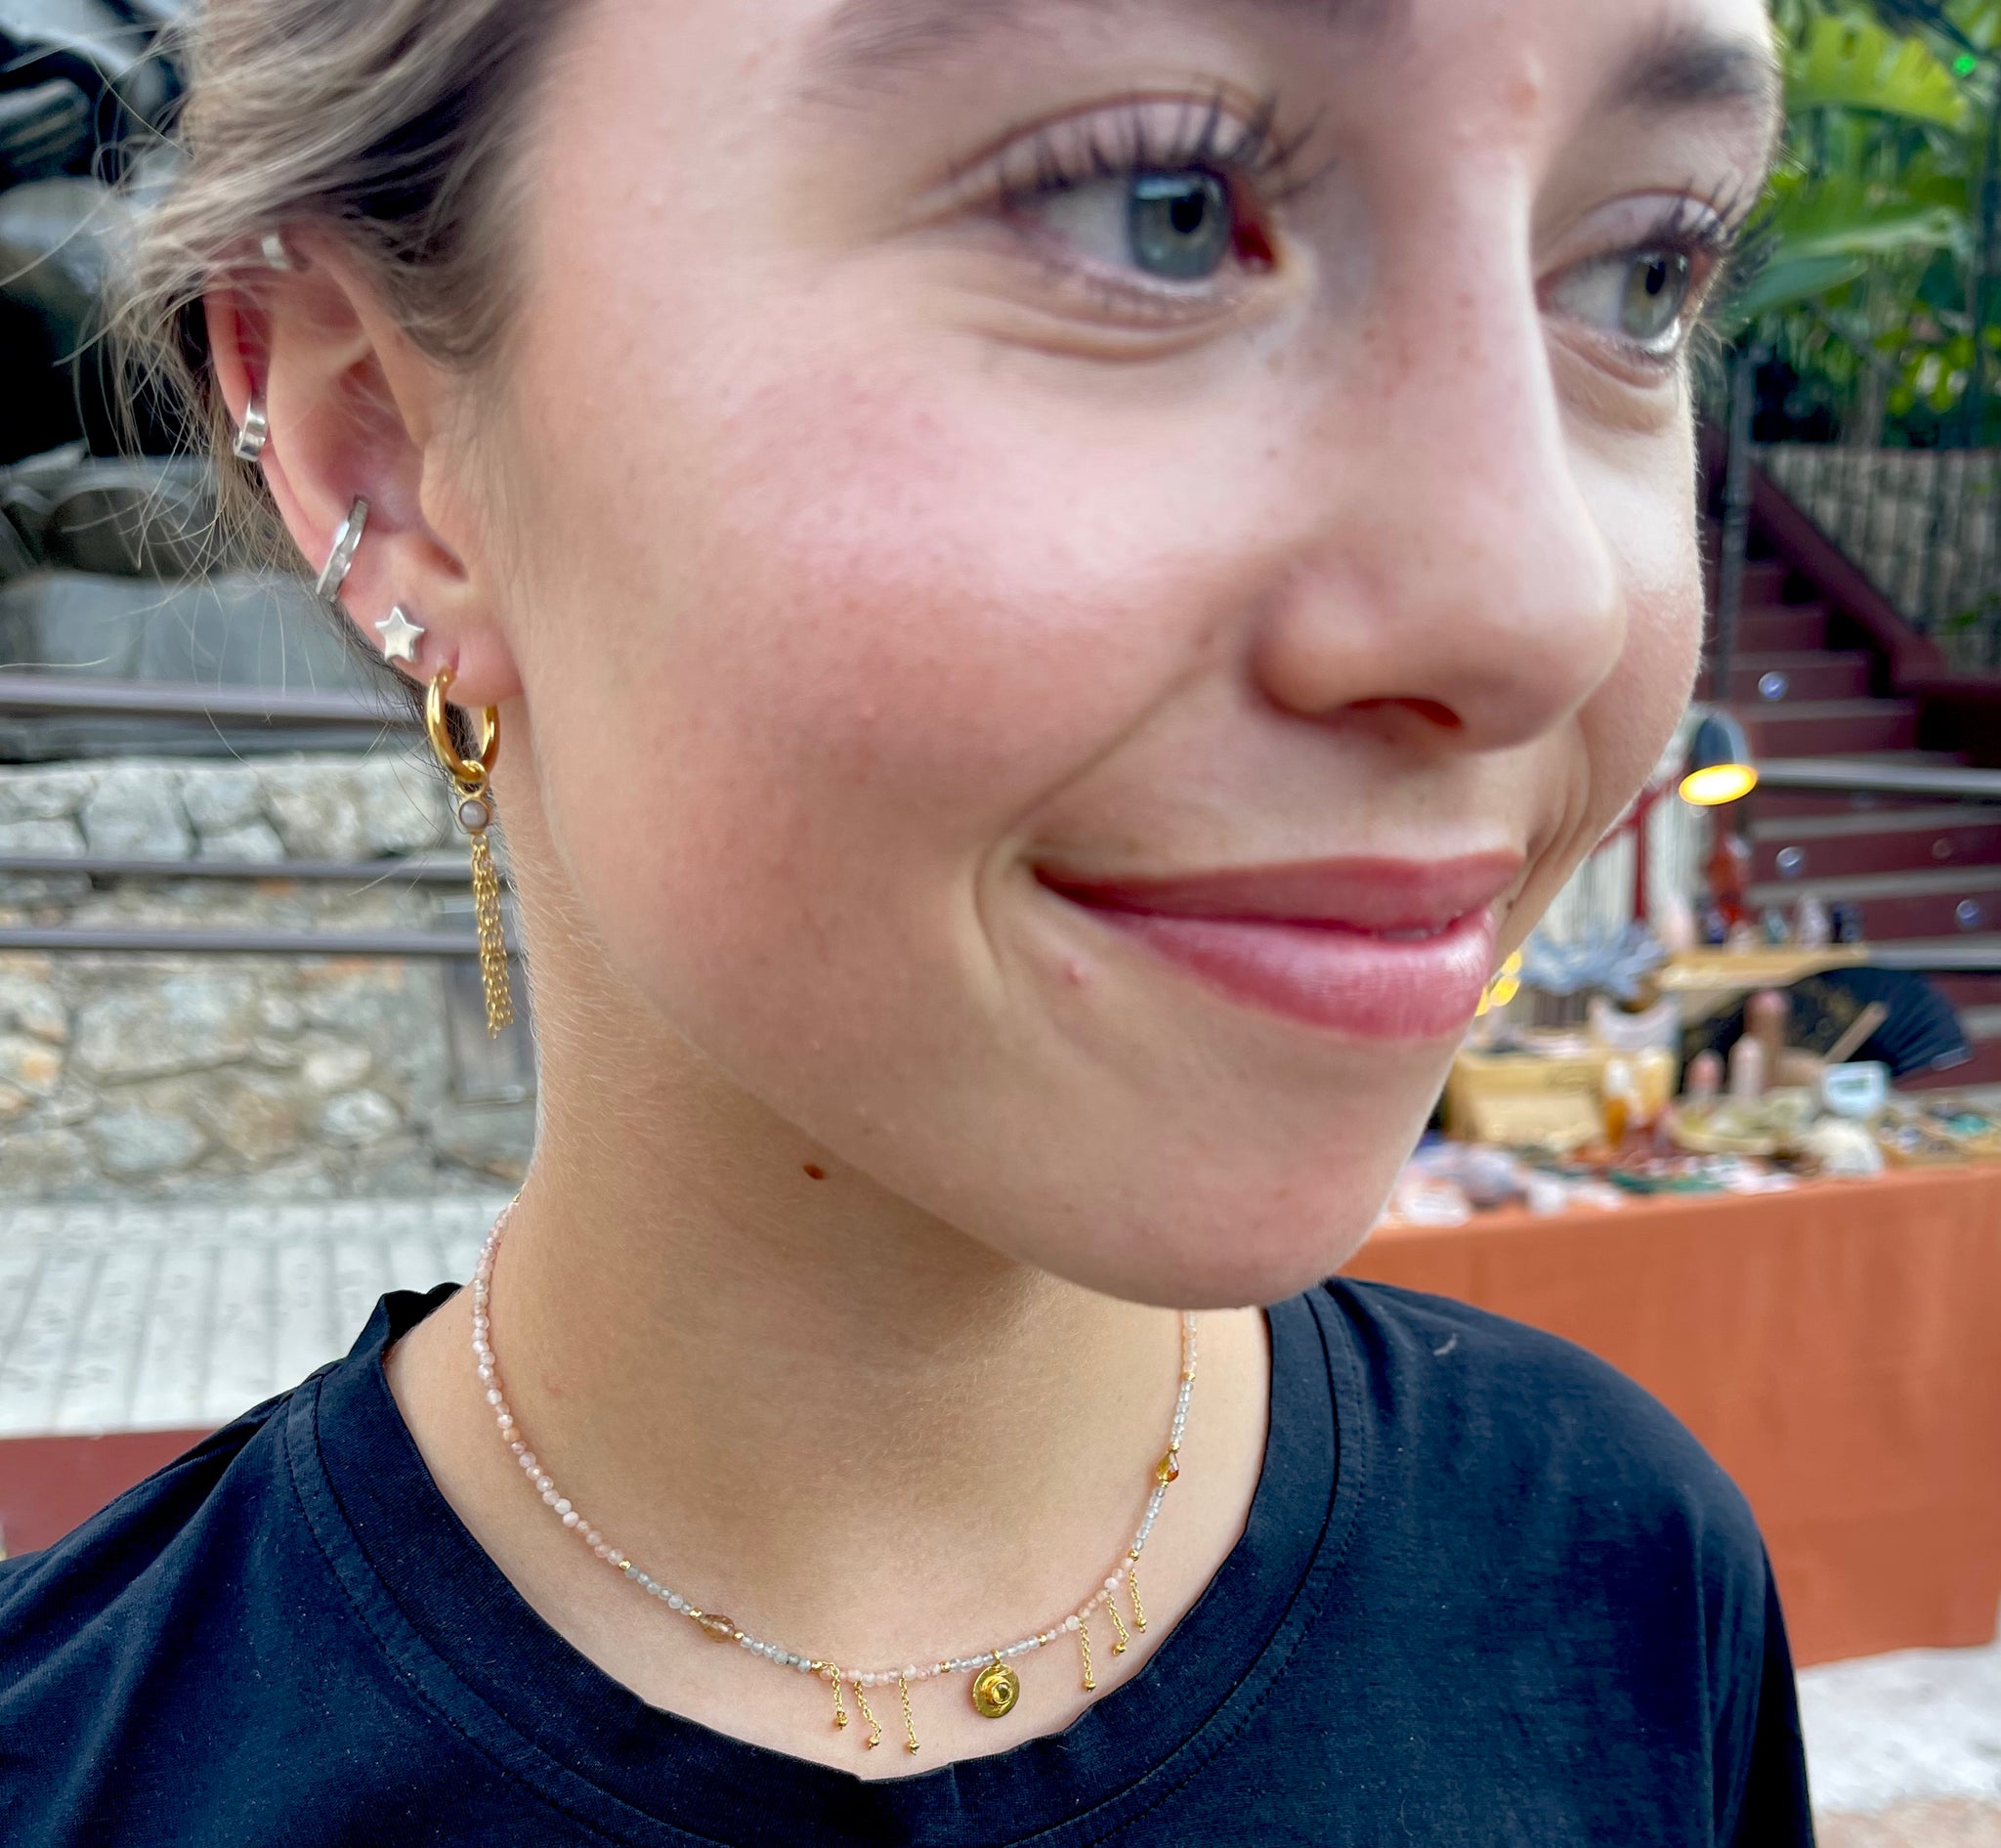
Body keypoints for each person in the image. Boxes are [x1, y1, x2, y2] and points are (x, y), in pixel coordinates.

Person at [0, 0, 1812, 1841]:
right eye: (1158, 207)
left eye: (1643, 275)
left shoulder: (1628, 1595)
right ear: (384, 441)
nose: (1543, 610)